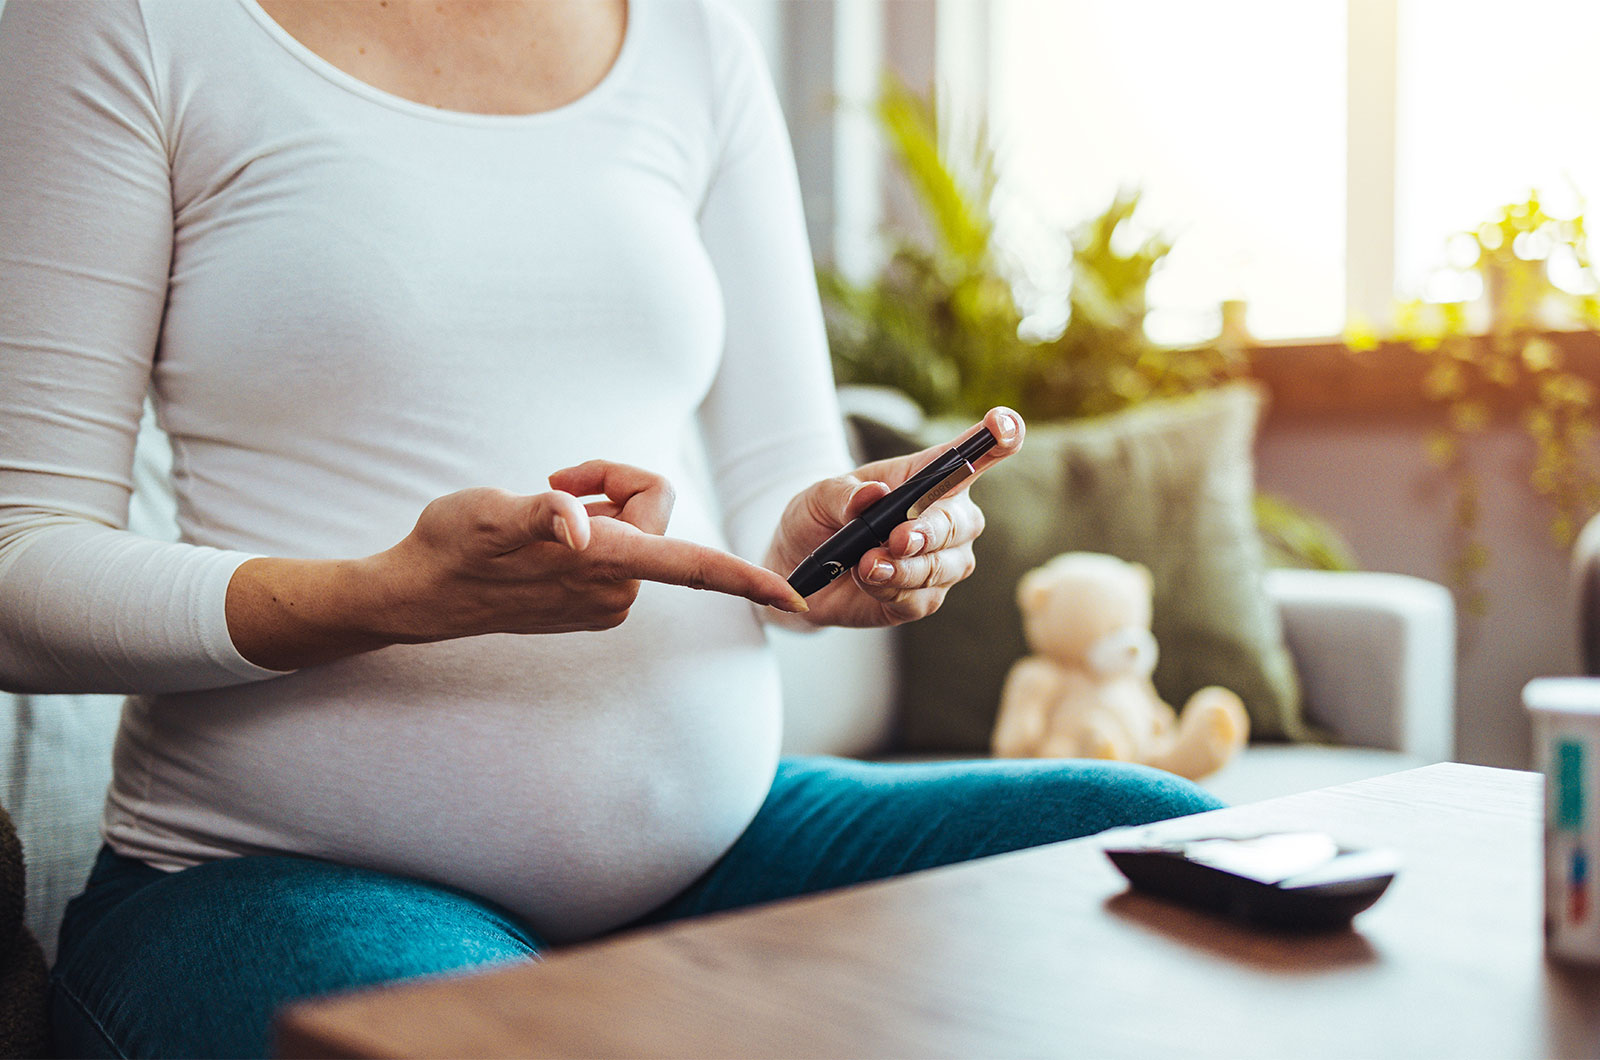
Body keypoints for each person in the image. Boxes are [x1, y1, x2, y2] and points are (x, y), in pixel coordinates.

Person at [0, 1, 1222, 1055]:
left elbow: (777, 479)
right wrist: (389, 594)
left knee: (1180, 861)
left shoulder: (692, 42)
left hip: (726, 852)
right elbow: (19, 562)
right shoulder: (135, 26)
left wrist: (831, 541)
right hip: (267, 881)